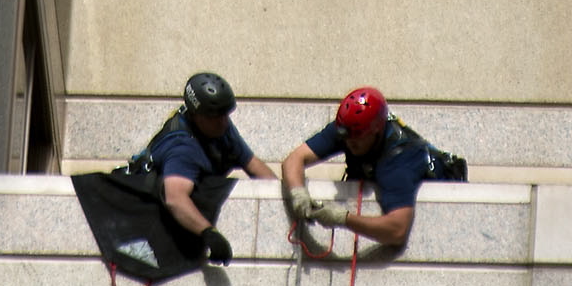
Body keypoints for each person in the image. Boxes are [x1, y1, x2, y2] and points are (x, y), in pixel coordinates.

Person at [131, 70, 275, 263]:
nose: (224, 121)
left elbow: (253, 164)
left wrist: (282, 195)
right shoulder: (182, 147)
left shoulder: (221, 127)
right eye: (216, 116)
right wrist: (210, 233)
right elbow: (174, 197)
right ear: (198, 116)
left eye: (225, 114)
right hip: (146, 225)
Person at [281, 87, 432, 253]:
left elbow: (397, 231)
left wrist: (344, 219)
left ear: (376, 130)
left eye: (357, 136)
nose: (350, 141)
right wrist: (298, 193)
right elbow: (294, 159)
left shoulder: (399, 161)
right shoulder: (348, 128)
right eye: (346, 136)